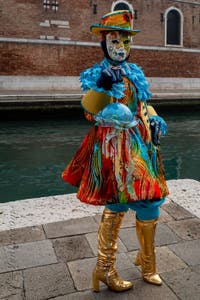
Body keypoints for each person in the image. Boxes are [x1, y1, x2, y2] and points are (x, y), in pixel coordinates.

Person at [62, 10, 169, 293]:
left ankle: (145, 264)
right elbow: (90, 111)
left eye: (126, 40)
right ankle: (106, 269)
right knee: (121, 202)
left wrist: (155, 117)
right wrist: (103, 86)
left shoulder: (135, 72)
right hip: (113, 148)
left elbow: (142, 105)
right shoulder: (97, 74)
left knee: (150, 200)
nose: (121, 46)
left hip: (141, 144)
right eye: (115, 40)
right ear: (104, 42)